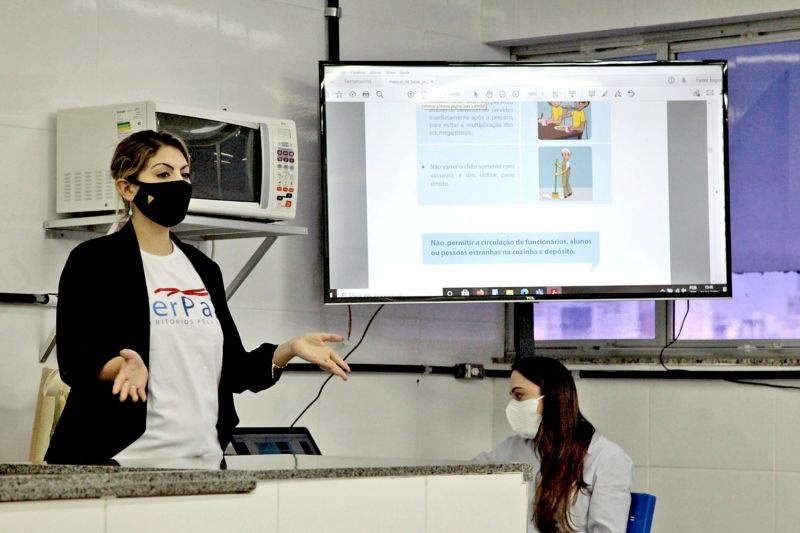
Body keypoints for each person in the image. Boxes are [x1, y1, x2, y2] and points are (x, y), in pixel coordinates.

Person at [45, 130, 349, 465]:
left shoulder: (204, 269)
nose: (178, 183)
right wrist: (120, 365)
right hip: (119, 460)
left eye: (184, 174)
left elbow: (234, 370)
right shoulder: (95, 261)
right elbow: (74, 359)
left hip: (202, 462)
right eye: (163, 174)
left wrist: (288, 350)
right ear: (128, 188)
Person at [475, 357, 633, 533]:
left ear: (551, 396)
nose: (512, 405)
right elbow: (463, 477)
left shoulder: (605, 458)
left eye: (519, 395)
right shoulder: (512, 448)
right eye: (512, 397)